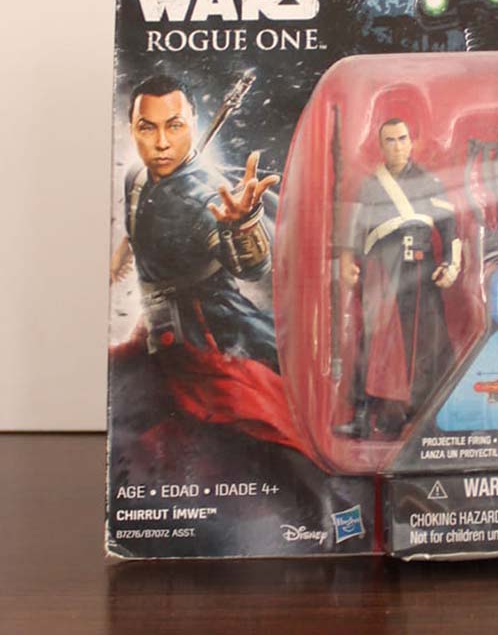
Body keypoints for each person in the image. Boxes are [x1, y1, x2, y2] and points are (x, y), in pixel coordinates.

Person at [110, 73, 311, 456]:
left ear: (192, 124)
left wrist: (241, 224)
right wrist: (123, 253)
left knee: (267, 429)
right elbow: (140, 221)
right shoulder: (136, 176)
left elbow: (252, 266)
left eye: (174, 126)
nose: (162, 142)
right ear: (133, 128)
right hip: (156, 332)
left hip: (211, 335)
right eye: (148, 128)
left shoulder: (204, 197)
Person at [335, 118, 461, 438]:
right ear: (381, 145)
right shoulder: (370, 185)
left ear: (411, 141)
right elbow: (353, 227)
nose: (397, 146)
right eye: (390, 140)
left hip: (421, 269)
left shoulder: (429, 181)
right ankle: (363, 413)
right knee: (374, 339)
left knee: (428, 338)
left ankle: (428, 411)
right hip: (382, 267)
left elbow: (449, 228)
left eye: (402, 138)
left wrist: (452, 263)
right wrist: (347, 261)